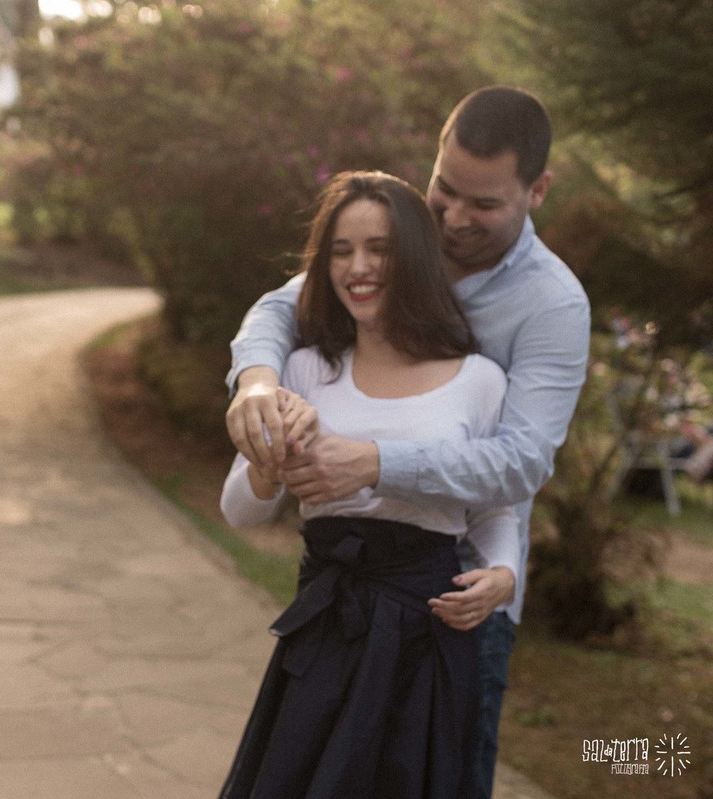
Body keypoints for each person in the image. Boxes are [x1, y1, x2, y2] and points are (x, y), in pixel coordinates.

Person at [224, 86, 592, 797]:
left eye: (483, 204)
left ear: (538, 190)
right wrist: (258, 384)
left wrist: (375, 464)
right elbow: (280, 308)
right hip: (336, 606)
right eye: (444, 188)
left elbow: (519, 464)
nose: (453, 217)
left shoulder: (552, 306)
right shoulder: (392, 241)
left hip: (461, 598)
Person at [219, 171, 520, 798]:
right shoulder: (303, 369)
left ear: (415, 256)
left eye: (379, 248)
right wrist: (272, 462)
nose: (358, 268)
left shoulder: (479, 380)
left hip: (426, 636)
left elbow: (494, 512)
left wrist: (503, 576)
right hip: (326, 629)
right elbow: (239, 511)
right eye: (341, 251)